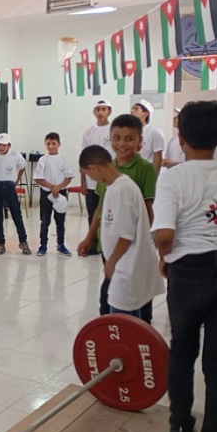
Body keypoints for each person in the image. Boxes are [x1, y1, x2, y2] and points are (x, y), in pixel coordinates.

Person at [152, 101, 217, 432]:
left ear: (180, 138)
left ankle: (181, 427)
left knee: (182, 353)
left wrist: (165, 256)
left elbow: (164, 234)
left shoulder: (174, 177)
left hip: (190, 275)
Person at [77, 114, 156, 323]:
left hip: (127, 255)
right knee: (113, 303)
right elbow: (101, 208)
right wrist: (90, 237)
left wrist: (147, 241)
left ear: (140, 141)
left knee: (130, 309)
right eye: (117, 138)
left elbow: (132, 228)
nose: (122, 144)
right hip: (114, 249)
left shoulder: (135, 176)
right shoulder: (110, 173)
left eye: (129, 138)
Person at [0, 133, 31, 255]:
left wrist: (17, 180)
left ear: (9, 146)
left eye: (3, 145)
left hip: (9, 186)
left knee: (16, 214)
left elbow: (22, 166)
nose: (0, 147)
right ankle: (1, 243)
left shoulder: (15, 155)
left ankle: (23, 241)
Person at [34, 132, 75, 256]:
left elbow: (68, 177)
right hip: (46, 193)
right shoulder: (43, 160)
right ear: (45, 144)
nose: (51, 146)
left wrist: (59, 187)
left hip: (60, 193)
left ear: (59, 144)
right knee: (45, 221)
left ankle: (61, 244)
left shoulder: (64, 159)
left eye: (53, 143)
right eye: (48, 144)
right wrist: (52, 187)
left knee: (60, 221)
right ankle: (43, 245)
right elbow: (38, 178)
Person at [78, 99, 114, 233]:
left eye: (104, 109)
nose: (100, 112)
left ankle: (107, 242)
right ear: (94, 112)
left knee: (110, 215)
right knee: (93, 214)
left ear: (109, 111)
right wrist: (83, 181)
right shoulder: (88, 132)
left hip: (110, 181)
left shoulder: (114, 131)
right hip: (92, 182)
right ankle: (92, 242)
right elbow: (83, 158)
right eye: (98, 109)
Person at [130, 99, 165, 174]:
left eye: (136, 109)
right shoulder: (129, 132)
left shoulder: (155, 132)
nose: (132, 111)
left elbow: (157, 159)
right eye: (132, 109)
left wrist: (152, 178)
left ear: (145, 114)